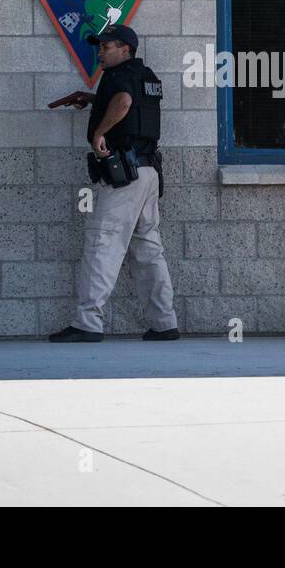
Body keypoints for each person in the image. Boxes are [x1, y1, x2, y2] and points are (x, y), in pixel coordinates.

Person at [47, 24, 179, 343]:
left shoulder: (119, 77)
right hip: (147, 173)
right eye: (100, 47)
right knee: (148, 248)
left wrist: (98, 133)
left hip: (124, 175)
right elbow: (133, 107)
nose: (100, 52)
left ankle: (87, 323)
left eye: (106, 47)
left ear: (125, 49)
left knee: (102, 242)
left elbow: (122, 104)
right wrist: (92, 99)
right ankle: (164, 323)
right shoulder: (145, 75)